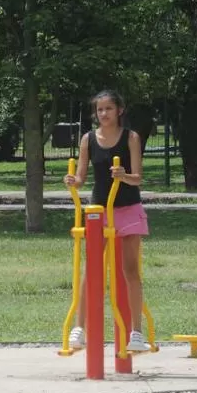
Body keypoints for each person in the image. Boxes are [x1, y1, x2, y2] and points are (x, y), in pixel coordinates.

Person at [63, 90, 149, 352]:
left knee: (130, 270)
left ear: (119, 110)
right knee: (92, 270)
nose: (104, 114)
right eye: (100, 110)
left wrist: (124, 175)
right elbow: (81, 176)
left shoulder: (131, 137)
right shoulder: (88, 139)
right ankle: (80, 328)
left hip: (127, 207)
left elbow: (138, 177)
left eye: (109, 109)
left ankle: (136, 331)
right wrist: (73, 182)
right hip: (99, 210)